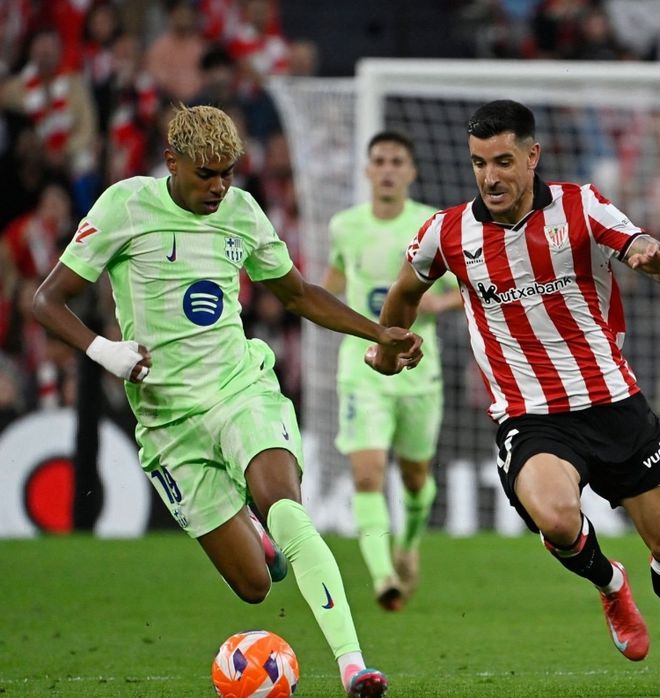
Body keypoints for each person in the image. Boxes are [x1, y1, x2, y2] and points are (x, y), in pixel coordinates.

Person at [32, 104, 423, 697]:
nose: (219, 187)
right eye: (206, 174)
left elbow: (297, 294)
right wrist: (104, 351)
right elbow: (46, 300)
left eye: (228, 173)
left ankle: (354, 667)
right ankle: (257, 538)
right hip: (168, 421)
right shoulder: (124, 206)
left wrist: (377, 332)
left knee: (285, 506)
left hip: (240, 388)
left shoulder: (241, 212)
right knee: (255, 586)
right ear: (172, 162)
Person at [367, 99, 660, 662]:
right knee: (557, 518)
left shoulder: (581, 205)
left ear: (532, 156)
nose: (490, 178)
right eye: (479, 163)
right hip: (530, 416)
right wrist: (388, 346)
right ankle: (611, 585)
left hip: (612, 400)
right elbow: (405, 292)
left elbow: (638, 246)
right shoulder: (448, 231)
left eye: (503, 162)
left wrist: (650, 253)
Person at [323, 131, 461, 611]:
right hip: (361, 365)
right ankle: (384, 576)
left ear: (411, 172)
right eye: (378, 160)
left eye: (396, 161)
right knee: (367, 476)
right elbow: (333, 282)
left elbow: (466, 286)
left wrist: (437, 305)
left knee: (415, 479)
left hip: (419, 368)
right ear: (367, 170)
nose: (386, 169)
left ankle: (409, 544)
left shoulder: (431, 225)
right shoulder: (344, 226)